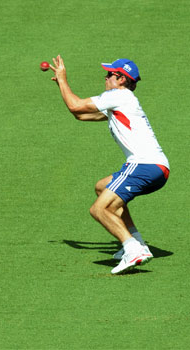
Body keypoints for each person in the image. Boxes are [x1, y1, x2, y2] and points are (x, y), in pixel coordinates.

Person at [50, 55, 170, 274]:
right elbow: (80, 116)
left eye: (110, 74)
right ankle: (136, 240)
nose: (105, 77)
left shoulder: (119, 96)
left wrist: (63, 78)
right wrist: (61, 85)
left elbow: (76, 105)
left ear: (121, 79)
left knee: (99, 209)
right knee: (101, 188)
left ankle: (133, 249)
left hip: (144, 165)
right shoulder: (120, 103)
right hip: (155, 167)